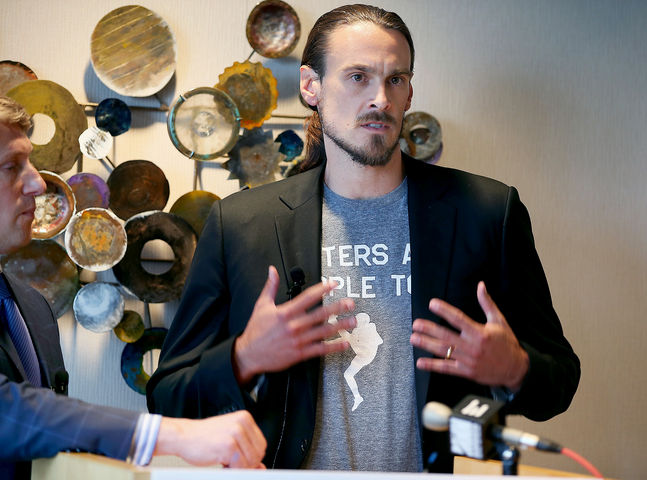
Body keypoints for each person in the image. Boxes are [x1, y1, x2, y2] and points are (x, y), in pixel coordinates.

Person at [147, 4, 580, 473]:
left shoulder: (487, 212)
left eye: (395, 79)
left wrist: (514, 369)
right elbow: (167, 397)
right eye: (358, 77)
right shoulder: (240, 224)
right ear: (311, 86)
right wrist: (244, 358)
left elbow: (559, 384)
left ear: (409, 91)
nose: (380, 98)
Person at [0, 95, 267, 480]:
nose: (38, 182)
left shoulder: (32, 307)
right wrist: (169, 435)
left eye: (30, 163)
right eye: (11, 166)